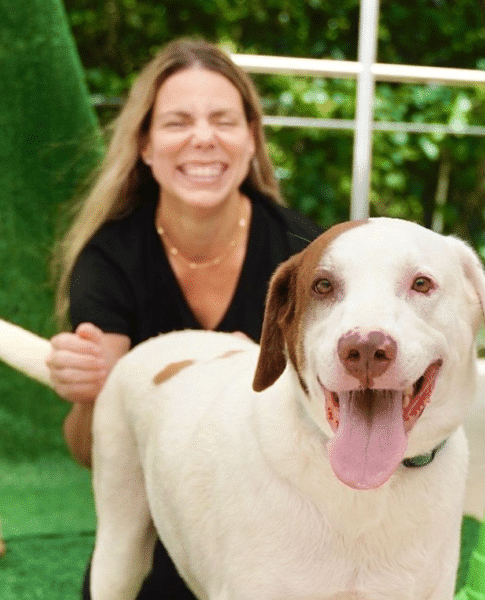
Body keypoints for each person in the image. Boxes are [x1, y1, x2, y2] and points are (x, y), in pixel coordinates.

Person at [46, 37, 323, 600]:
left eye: (224, 119)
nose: (203, 138)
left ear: (251, 140)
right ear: (145, 145)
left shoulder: (305, 256)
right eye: (177, 122)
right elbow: (92, 452)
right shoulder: (109, 258)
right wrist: (89, 394)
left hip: (286, 529)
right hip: (166, 519)